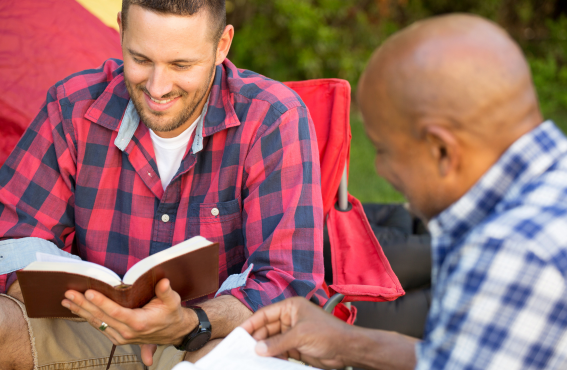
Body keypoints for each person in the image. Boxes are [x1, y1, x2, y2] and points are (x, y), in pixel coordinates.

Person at [242, 13, 567, 370]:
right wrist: (347, 342)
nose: (380, 169)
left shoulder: (511, 255)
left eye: (384, 151)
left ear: (441, 150)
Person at [0, 1, 326, 369]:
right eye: (140, 59)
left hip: (205, 339)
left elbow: (291, 287)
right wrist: (95, 306)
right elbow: (11, 243)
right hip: (88, 330)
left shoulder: (272, 119)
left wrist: (189, 323)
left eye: (180, 65)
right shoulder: (71, 107)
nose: (157, 87)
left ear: (222, 45)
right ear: (122, 29)